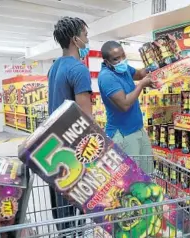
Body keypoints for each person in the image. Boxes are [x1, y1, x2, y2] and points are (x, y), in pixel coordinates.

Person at [47, 16, 91, 235]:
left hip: (52, 147)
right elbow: (86, 118)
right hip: (73, 149)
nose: (87, 40)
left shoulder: (54, 67)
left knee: (61, 207)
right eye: (85, 36)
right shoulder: (78, 69)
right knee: (77, 208)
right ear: (75, 39)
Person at [98, 41, 154, 173]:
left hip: (138, 129)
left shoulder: (123, 68)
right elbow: (124, 104)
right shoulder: (107, 77)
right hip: (124, 134)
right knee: (132, 178)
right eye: (116, 59)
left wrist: (155, 66)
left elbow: (139, 74)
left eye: (123, 56)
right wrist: (141, 85)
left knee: (148, 173)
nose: (122, 60)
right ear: (107, 62)